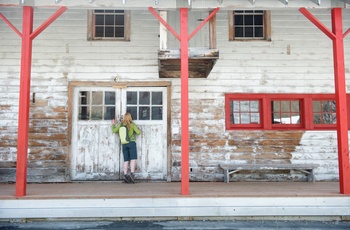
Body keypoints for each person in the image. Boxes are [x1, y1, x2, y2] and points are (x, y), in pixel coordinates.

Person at [111, 112, 141, 183]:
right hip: (131, 143)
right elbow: (138, 133)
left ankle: (125, 175)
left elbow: (114, 130)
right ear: (130, 117)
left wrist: (113, 124)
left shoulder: (121, 125)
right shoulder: (132, 125)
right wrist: (139, 129)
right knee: (133, 159)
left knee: (126, 160)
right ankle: (132, 174)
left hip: (124, 144)